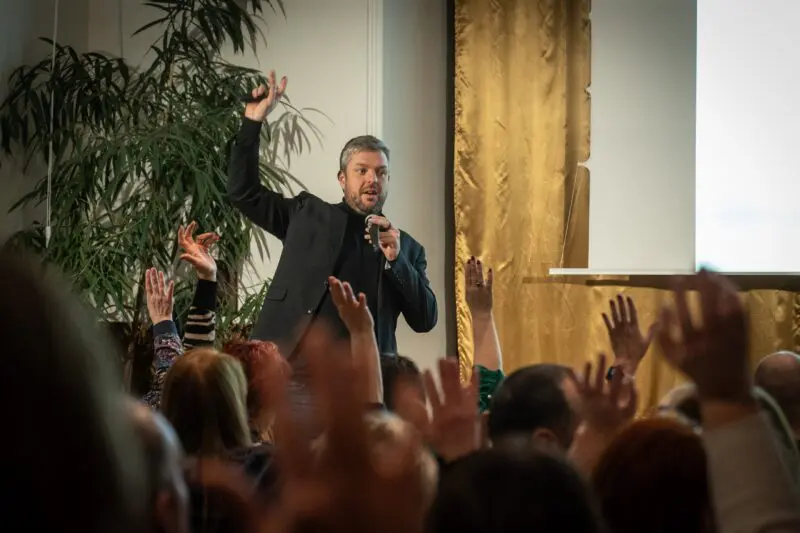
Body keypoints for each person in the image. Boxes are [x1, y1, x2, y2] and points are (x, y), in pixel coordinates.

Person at [227, 71, 437, 378]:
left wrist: (398, 260)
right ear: (342, 178)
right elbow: (243, 193)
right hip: (289, 373)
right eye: (361, 170)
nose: (372, 179)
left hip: (360, 384)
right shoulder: (306, 215)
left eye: (381, 173)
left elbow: (425, 320)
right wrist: (252, 122)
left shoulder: (407, 248)